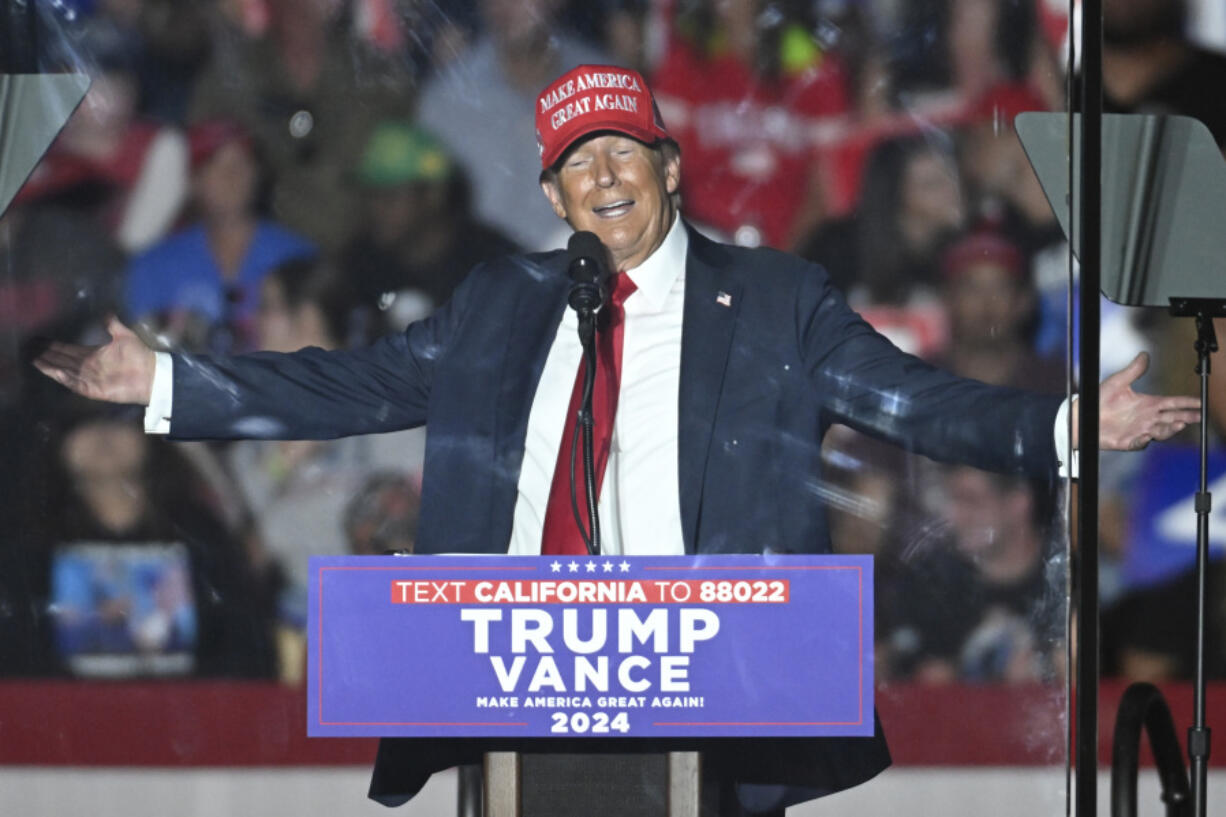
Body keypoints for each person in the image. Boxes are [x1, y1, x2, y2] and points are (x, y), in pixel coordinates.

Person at [33, 63, 1200, 815]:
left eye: (621, 151)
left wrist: (1061, 422)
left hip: (713, 679)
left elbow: (914, 401)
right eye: (574, 161)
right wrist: (167, 382)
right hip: (515, 679)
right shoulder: (501, 299)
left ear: (669, 169)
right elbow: (358, 384)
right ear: (549, 195)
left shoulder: (777, 299)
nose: (600, 175)